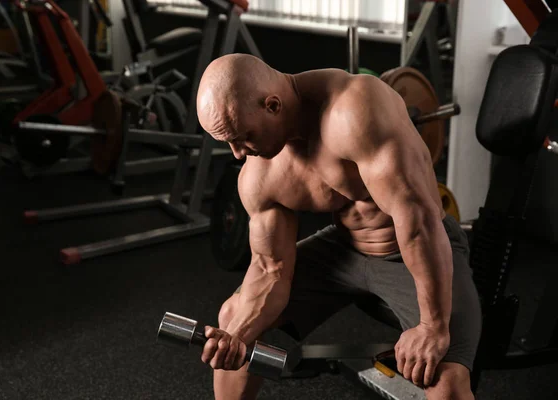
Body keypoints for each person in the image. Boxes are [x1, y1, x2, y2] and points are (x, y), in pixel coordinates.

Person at [196, 53, 482, 400]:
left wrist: (432, 327)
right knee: (233, 315)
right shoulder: (260, 174)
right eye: (228, 142)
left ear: (273, 105)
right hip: (344, 250)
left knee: (445, 381)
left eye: (243, 136)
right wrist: (237, 337)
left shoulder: (354, 109)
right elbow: (271, 269)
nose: (238, 153)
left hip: (415, 249)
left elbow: (418, 220)